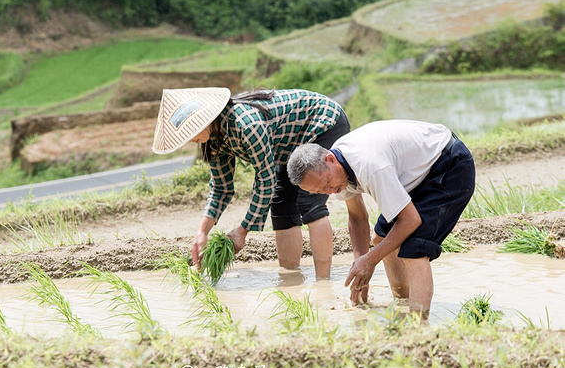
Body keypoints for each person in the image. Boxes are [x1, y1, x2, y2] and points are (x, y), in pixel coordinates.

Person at [152, 87, 351, 279]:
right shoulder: (214, 140)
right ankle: (291, 278)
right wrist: (202, 232)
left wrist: (242, 231)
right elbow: (221, 189)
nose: (190, 140)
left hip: (323, 122)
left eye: (190, 132)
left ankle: (323, 284)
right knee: (280, 203)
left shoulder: (246, 125)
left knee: (309, 201)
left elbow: (266, 180)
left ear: (205, 119)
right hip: (287, 146)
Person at [286, 120, 475, 317]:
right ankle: (403, 301)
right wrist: (360, 262)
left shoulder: (368, 164)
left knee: (415, 249)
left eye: (327, 183)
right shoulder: (336, 174)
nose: (329, 191)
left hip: (448, 164)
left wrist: (370, 261)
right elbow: (357, 216)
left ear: (330, 159)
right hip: (415, 176)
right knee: (380, 240)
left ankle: (419, 327)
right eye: (320, 191)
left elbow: (410, 221)